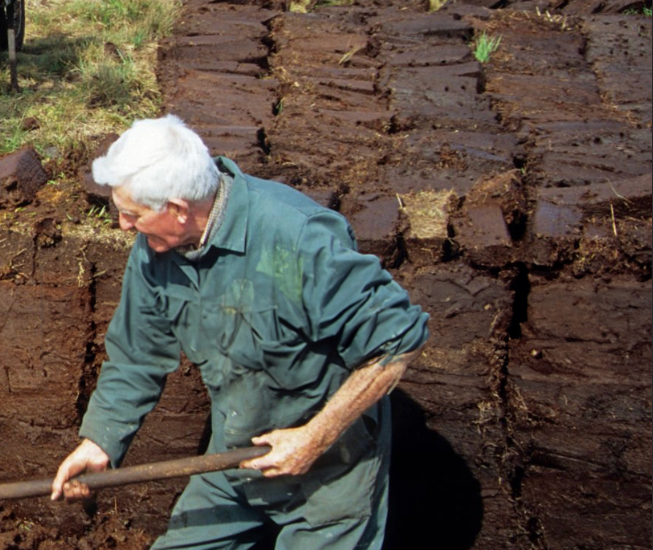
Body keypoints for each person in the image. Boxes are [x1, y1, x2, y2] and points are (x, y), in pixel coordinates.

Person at [51, 115, 429, 549]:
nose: (123, 225)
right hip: (233, 455)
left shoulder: (297, 239)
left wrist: (314, 438)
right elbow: (137, 355)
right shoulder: (156, 251)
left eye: (132, 214)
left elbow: (398, 339)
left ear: (177, 209)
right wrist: (100, 442)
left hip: (329, 471)